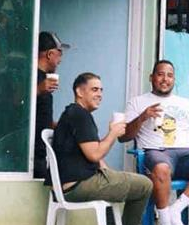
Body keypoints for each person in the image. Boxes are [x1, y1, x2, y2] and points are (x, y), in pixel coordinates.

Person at [122, 60, 189, 225]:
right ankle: (164, 219)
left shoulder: (186, 104)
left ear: (174, 80)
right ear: (151, 77)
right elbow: (124, 136)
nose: (165, 79)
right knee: (162, 168)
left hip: (184, 155)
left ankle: (175, 210)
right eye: (160, 74)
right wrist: (142, 117)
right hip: (157, 152)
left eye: (169, 75)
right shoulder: (137, 102)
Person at [47, 73, 153, 225]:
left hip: (73, 183)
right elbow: (94, 155)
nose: (99, 95)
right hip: (77, 185)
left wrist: (109, 173)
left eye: (101, 90)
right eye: (94, 89)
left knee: (114, 187)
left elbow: (96, 152)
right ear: (79, 92)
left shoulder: (75, 113)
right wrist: (113, 133)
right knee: (144, 185)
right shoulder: (79, 115)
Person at [34, 31, 69, 179]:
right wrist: (38, 89)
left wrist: (60, 125)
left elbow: (41, 115)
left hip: (40, 152)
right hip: (29, 153)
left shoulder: (45, 80)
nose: (61, 59)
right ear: (49, 54)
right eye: (59, 54)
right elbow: (14, 102)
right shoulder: (29, 75)